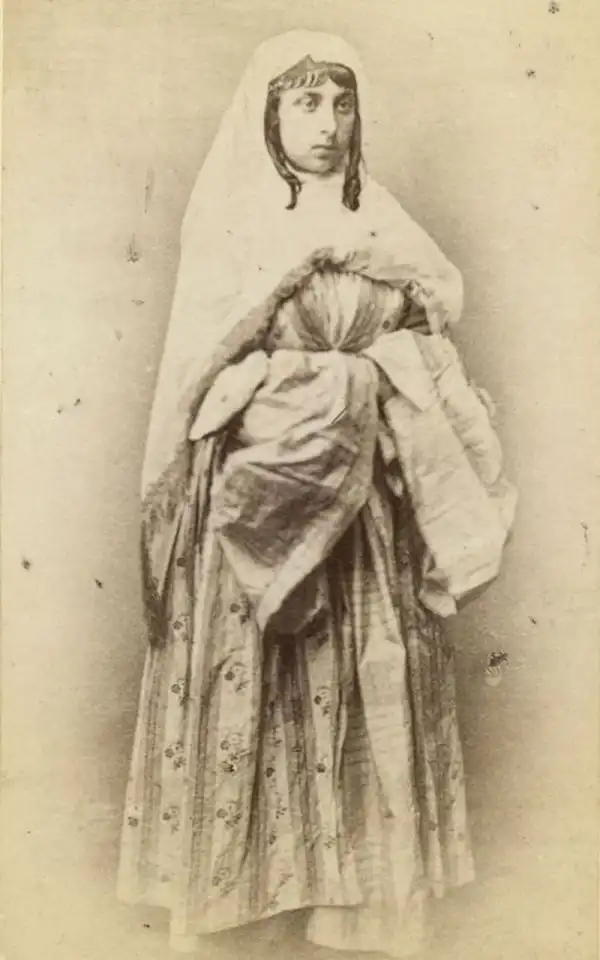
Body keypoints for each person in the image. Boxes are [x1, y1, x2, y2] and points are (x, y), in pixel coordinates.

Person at [118, 30, 516, 959]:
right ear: (267, 116)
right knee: (256, 673)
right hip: (257, 494)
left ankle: (359, 902)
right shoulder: (236, 225)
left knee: (368, 663)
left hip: (365, 500)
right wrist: (303, 391)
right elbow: (204, 372)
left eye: (341, 103)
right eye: (305, 103)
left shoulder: (383, 219)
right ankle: (244, 895)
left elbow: (426, 328)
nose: (328, 123)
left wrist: (373, 372)